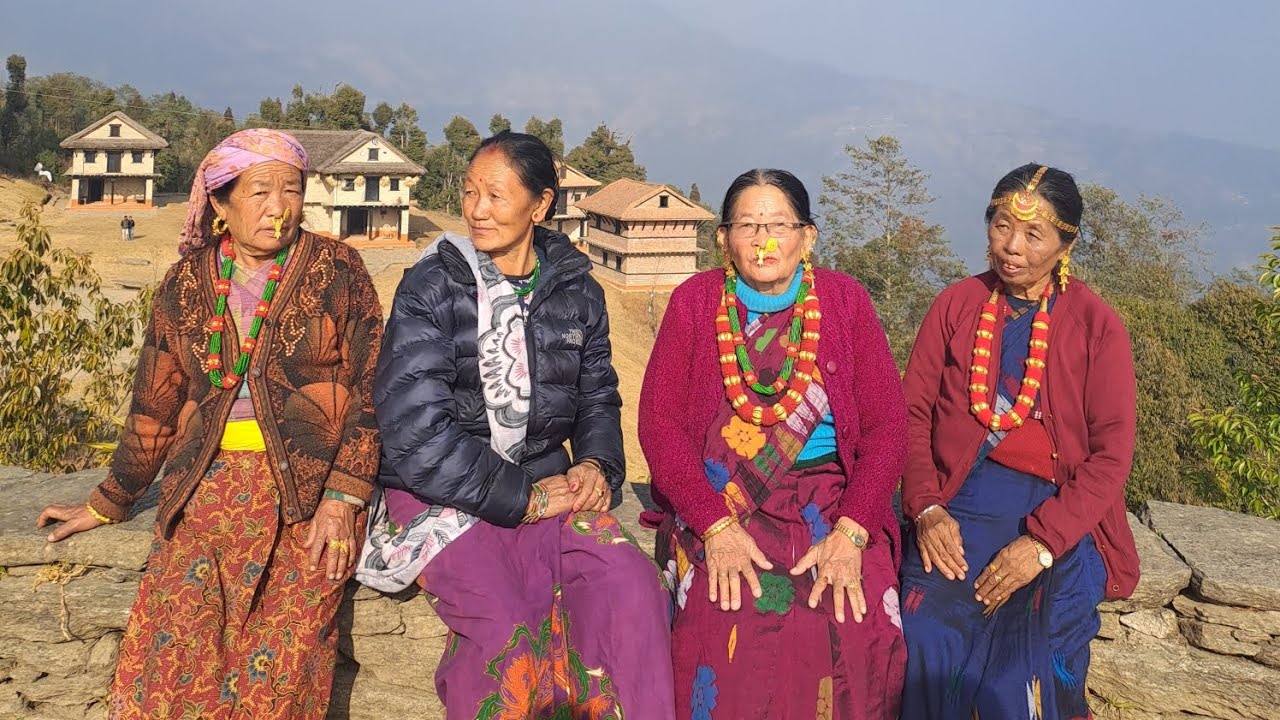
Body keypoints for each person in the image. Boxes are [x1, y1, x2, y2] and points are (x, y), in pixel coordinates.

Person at [37, 128, 384, 719]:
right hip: (206, 490)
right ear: (220, 205)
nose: (279, 207)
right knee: (173, 662)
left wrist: (344, 498)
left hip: (308, 495)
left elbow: (374, 391)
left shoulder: (339, 270)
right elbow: (156, 404)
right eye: (259, 192)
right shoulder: (185, 284)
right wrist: (109, 501)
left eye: (292, 190)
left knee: (277, 679)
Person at [357, 131, 674, 719]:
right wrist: (523, 497)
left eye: (496, 196)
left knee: (632, 586)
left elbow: (597, 397)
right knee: (507, 630)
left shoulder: (576, 290)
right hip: (444, 493)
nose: (476, 210)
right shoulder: (434, 286)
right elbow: (415, 431)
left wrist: (597, 467)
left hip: (547, 488)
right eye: (470, 192)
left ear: (541, 204)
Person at [639, 168, 908, 719]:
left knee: (852, 618)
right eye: (747, 226)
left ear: (807, 237)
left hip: (834, 502)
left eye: (778, 225)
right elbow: (659, 425)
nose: (763, 241)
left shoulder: (844, 302)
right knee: (723, 612)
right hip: (721, 499)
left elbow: (887, 427)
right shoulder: (696, 302)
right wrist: (712, 526)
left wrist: (854, 531)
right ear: (722, 239)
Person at [898, 164, 1140, 718]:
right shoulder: (957, 307)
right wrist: (927, 506)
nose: (1011, 247)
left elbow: (1110, 456)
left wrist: (1041, 545)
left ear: (1065, 244)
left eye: (1033, 235)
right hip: (958, 505)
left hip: (1059, 515)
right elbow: (909, 415)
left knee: (1020, 664)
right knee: (923, 633)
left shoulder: (1095, 326)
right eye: (1001, 225)